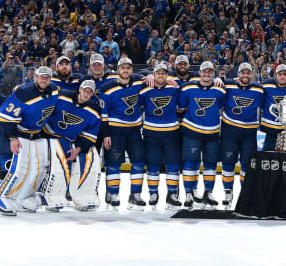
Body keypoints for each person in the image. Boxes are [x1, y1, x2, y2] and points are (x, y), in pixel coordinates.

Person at [0, 66, 59, 216]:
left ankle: (23, 197)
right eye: (41, 76)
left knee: (38, 170)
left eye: (47, 77)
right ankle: (1, 197)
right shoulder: (24, 92)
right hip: (19, 134)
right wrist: (12, 137)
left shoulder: (54, 90)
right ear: (34, 77)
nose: (44, 79)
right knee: (19, 170)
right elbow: (4, 116)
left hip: (36, 135)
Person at [42, 79, 102, 211]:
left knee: (89, 153)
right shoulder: (61, 95)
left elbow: (90, 135)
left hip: (69, 140)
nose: (86, 94)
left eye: (90, 92)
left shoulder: (95, 110)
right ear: (79, 89)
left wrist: (79, 148)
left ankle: (82, 193)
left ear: (93, 94)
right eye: (85, 90)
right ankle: (51, 194)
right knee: (60, 160)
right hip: (46, 136)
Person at [100, 57, 146, 210]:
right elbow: (103, 114)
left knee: (139, 162)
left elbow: (149, 75)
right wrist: (106, 134)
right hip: (115, 132)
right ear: (118, 70)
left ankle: (135, 194)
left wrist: (151, 75)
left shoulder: (139, 82)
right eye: (122, 68)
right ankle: (113, 194)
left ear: (132, 70)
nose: (125, 70)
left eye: (128, 68)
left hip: (134, 131)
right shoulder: (107, 88)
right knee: (114, 164)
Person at [179, 61, 226, 209]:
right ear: (199, 72)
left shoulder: (220, 90)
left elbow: (221, 106)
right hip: (192, 132)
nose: (207, 75)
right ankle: (189, 192)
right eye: (204, 72)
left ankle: (208, 192)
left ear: (213, 73)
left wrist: (221, 80)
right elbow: (180, 106)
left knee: (210, 164)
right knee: (190, 163)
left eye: (210, 72)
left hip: (212, 133)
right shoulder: (188, 87)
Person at [139, 63, 183, 210]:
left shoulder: (174, 89)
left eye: (164, 73)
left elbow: (191, 82)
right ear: (154, 75)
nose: (161, 76)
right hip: (151, 134)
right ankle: (153, 194)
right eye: (158, 73)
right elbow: (136, 76)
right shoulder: (145, 91)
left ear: (167, 75)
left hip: (171, 133)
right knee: (152, 164)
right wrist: (146, 74)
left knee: (173, 165)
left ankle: (172, 194)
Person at [220, 62, 264, 209]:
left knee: (246, 164)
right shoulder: (228, 85)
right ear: (238, 74)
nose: (245, 75)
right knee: (228, 163)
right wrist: (218, 80)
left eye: (248, 73)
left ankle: (245, 194)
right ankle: (228, 193)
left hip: (249, 133)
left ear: (251, 74)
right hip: (229, 131)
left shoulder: (259, 89)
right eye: (243, 73)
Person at [260, 64, 286, 151]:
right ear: (275, 75)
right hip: (271, 131)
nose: (282, 77)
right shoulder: (267, 85)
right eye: (280, 74)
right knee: (267, 161)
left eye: (285, 74)